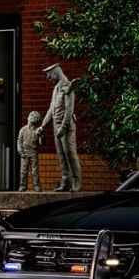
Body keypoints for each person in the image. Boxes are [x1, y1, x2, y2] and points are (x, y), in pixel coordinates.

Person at [41, 63, 82, 191]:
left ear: (56, 73)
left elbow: (69, 110)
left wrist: (63, 128)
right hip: (56, 125)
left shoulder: (67, 86)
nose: (48, 78)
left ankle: (76, 182)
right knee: (61, 156)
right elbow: (51, 109)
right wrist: (43, 126)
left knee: (70, 154)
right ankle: (66, 182)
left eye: (49, 75)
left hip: (66, 127)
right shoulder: (56, 88)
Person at [16, 111, 42, 192]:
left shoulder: (38, 130)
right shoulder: (23, 130)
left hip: (33, 152)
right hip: (24, 152)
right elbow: (19, 141)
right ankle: (23, 185)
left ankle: (36, 186)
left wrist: (41, 136)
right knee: (23, 171)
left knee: (35, 171)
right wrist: (21, 152)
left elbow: (41, 143)